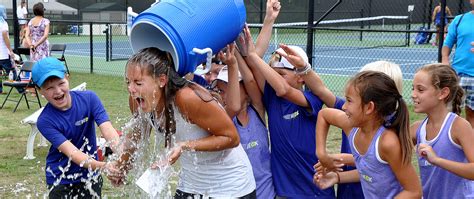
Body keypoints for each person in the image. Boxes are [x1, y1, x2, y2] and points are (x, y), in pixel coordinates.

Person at [109, 47, 256, 198]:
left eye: (138, 83)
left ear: (162, 80)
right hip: (190, 184)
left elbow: (231, 138)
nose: (131, 89)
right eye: (128, 82)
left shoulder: (187, 98)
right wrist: (121, 166)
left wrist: (184, 145)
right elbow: (136, 136)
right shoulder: (138, 100)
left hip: (231, 187)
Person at [242, 26, 335, 198]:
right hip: (284, 191)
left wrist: (253, 56)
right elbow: (254, 67)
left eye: (281, 74)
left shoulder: (312, 99)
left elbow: (284, 89)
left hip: (315, 190)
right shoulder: (271, 97)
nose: (274, 79)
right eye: (273, 74)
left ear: (300, 76)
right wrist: (269, 19)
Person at [314, 71, 422, 198]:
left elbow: (414, 191)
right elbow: (324, 115)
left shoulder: (387, 143)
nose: (343, 106)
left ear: (369, 107)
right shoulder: (353, 128)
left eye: (349, 101)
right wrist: (322, 156)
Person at [32, 57, 120, 198]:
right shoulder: (45, 121)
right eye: (49, 88)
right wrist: (105, 166)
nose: (58, 91)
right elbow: (73, 153)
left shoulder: (89, 99)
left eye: (61, 83)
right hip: (61, 180)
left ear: (68, 78)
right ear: (40, 91)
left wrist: (121, 156)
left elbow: (108, 130)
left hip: (91, 175)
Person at [211, 44, 275, 198]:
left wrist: (235, 52)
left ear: (245, 91)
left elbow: (251, 81)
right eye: (220, 90)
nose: (223, 93)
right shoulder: (225, 118)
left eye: (227, 88)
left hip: (266, 193)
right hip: (240, 193)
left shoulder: (257, 111)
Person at [411, 63, 474, 198]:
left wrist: (437, 160)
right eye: (413, 89)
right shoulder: (416, 129)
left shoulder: (459, 127)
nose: (413, 95)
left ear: (443, 93)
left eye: (420, 90)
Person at [441, 1, 474, 128]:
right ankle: (451, 145)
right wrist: (445, 59)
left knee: (471, 116)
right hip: (457, 75)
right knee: (451, 114)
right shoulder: (459, 20)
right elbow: (447, 43)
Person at [0, 5, 16, 94]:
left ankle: (0, 90)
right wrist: (10, 50)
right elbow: (5, 36)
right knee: (11, 71)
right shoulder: (3, 23)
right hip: (3, 54)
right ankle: (21, 89)